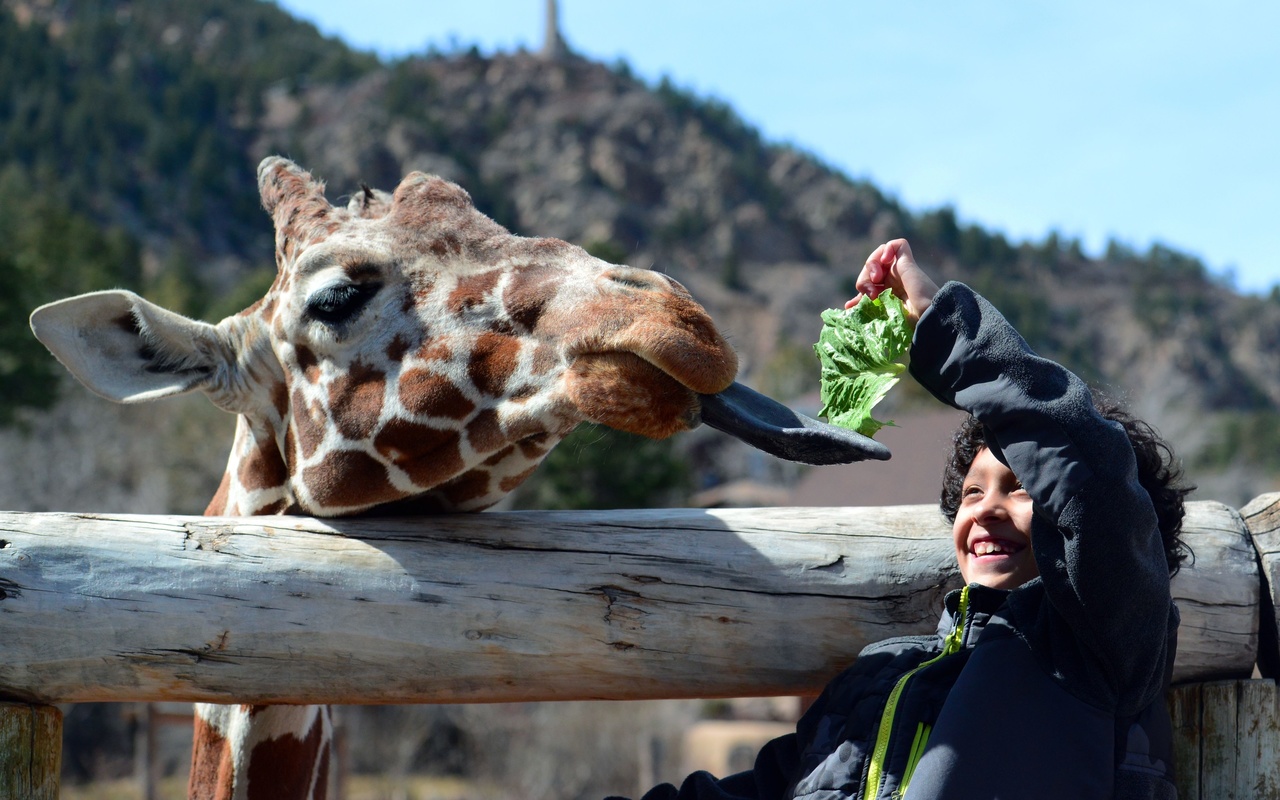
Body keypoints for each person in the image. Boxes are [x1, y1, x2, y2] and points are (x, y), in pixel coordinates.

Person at [613, 239, 1191, 800]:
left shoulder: (1100, 648)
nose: (986, 508)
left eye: (1019, 488)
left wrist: (939, 324)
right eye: (970, 493)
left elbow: (1088, 475)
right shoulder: (877, 676)